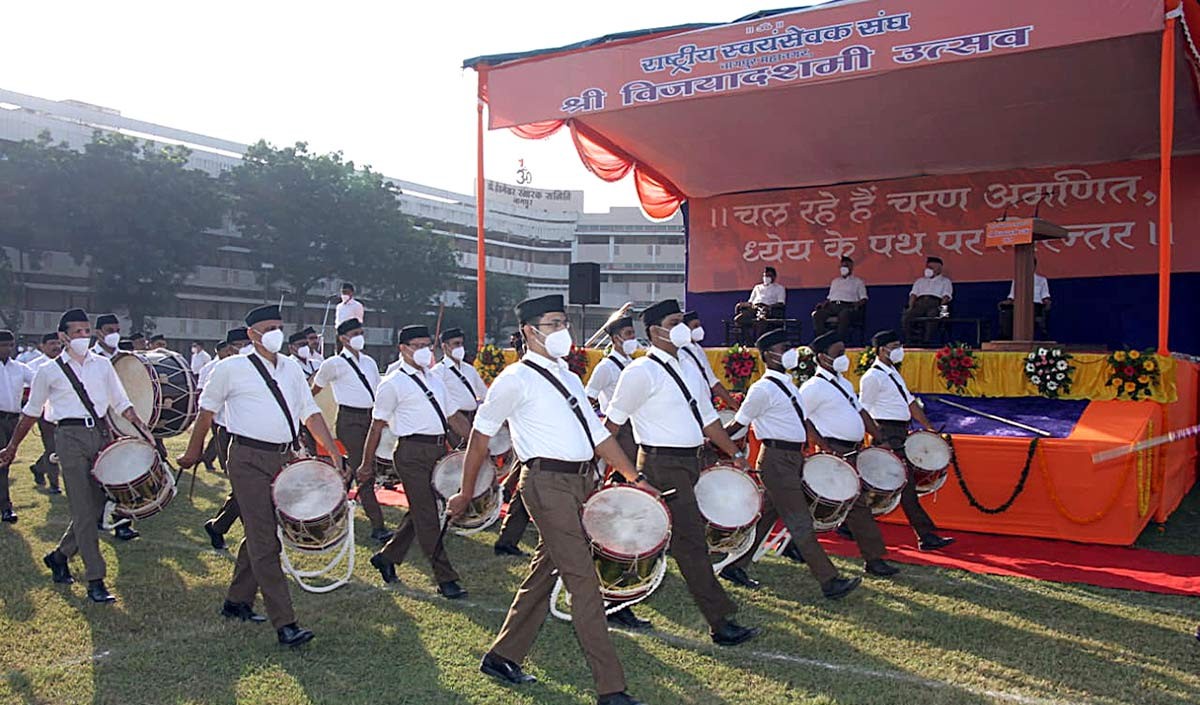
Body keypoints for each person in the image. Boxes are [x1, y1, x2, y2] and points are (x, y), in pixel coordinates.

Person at [446, 294, 650, 705]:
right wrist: (466, 491)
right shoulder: (513, 380)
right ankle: (611, 689)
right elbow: (479, 439)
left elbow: (599, 435)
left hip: (579, 484)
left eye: (563, 323)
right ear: (529, 331)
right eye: (553, 324)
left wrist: (634, 476)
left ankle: (502, 655)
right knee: (584, 582)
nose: (562, 332)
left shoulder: (569, 377)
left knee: (546, 571)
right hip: (545, 484)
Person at [177, 304, 340, 647]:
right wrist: (193, 453)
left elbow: (308, 412)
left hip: (283, 457)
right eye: (269, 327)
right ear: (252, 334)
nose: (276, 333)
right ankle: (286, 623)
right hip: (247, 459)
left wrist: (333, 452)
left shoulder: (292, 368)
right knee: (266, 539)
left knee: (261, 531)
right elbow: (206, 413)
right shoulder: (230, 369)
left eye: (279, 326)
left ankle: (237, 601)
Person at [606, 298, 760, 646]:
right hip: (661, 464)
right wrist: (616, 469)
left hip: (691, 461)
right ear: (655, 330)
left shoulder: (688, 367)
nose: (683, 328)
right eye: (675, 322)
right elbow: (611, 425)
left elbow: (708, 419)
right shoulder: (640, 372)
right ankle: (720, 622)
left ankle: (610, 599)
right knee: (690, 542)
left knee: (642, 538)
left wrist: (734, 452)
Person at [0, 308, 151, 603]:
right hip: (68, 438)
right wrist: (13, 446)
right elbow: (31, 413)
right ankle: (96, 579)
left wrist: (140, 426)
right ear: (63, 336)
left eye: (86, 331)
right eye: (77, 332)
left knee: (98, 504)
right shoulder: (49, 371)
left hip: (100, 435)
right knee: (83, 509)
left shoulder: (103, 366)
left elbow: (121, 401)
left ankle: (59, 555)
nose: (83, 336)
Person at [718, 329, 863, 598]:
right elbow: (739, 424)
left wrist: (822, 446)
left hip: (792, 458)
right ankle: (829, 580)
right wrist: (713, 442)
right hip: (776, 460)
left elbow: (803, 421)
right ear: (768, 355)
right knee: (800, 521)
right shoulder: (762, 389)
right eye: (784, 348)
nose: (790, 353)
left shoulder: (788, 384)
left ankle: (735, 565)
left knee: (767, 517)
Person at [364, 324, 472, 598]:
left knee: (421, 511)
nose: (425, 351)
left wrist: (476, 444)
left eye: (428, 345)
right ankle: (445, 577)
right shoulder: (393, 383)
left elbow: (453, 417)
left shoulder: (435, 379)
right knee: (427, 516)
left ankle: (387, 558)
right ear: (403, 348)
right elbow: (376, 427)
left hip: (437, 451)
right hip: (411, 453)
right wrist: (367, 463)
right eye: (418, 346)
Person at [799, 331, 901, 578]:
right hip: (835, 450)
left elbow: (862, 412)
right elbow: (801, 418)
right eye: (838, 354)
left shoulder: (843, 383)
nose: (844, 358)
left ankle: (796, 542)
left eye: (844, 353)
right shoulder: (813, 387)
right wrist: (824, 446)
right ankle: (874, 559)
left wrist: (879, 438)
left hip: (852, 449)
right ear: (822, 358)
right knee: (857, 504)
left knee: (829, 503)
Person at [859, 330, 956, 551]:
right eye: (894, 346)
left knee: (883, 483)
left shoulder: (893, 374)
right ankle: (926, 535)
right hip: (886, 431)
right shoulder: (872, 377)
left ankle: (849, 523)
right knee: (905, 484)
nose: (898, 350)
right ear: (881, 350)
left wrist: (929, 427)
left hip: (900, 432)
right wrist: (878, 437)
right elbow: (863, 410)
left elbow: (910, 403)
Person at [312, 318, 391, 543]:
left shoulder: (369, 362)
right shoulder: (333, 364)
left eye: (361, 331)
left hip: (371, 419)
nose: (359, 336)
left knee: (358, 466)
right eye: (355, 332)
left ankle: (329, 507)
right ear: (343, 338)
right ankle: (378, 526)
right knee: (365, 471)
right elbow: (315, 389)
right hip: (350, 420)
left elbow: (377, 391)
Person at [89, 314, 140, 542]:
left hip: (123, 422)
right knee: (100, 474)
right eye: (109, 329)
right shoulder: (89, 360)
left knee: (123, 472)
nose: (114, 334)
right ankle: (99, 516)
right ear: (98, 332)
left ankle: (122, 523)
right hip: (100, 422)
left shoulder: (126, 358)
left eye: (117, 329)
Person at [202, 328, 252, 551]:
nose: (245, 348)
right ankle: (252, 539)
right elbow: (207, 406)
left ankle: (219, 526)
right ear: (230, 348)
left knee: (245, 489)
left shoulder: (255, 368)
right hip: (228, 433)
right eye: (241, 344)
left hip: (253, 433)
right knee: (244, 488)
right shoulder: (221, 370)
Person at [584, 314, 639, 463]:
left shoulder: (633, 363)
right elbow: (588, 399)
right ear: (615, 339)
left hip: (637, 424)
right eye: (628, 334)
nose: (633, 338)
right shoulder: (606, 367)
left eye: (633, 333)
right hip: (620, 428)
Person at [0, 330, 36, 524]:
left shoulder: (20, 368)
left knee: (7, 462)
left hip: (13, 419)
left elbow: (38, 382)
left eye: (9, 345)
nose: (7, 349)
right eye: (3, 345)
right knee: (2, 464)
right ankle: (6, 507)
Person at [680, 311, 740, 411]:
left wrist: (732, 403)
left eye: (699, 325)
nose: (699, 329)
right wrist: (733, 404)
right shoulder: (681, 352)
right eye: (695, 326)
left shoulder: (697, 348)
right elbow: (713, 383)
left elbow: (711, 380)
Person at [27, 333, 63, 493]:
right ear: (42, 346)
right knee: (52, 448)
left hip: (64, 411)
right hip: (45, 413)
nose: (56, 346)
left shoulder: (67, 362)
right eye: (51, 343)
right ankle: (54, 484)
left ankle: (39, 467)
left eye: (58, 343)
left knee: (62, 447)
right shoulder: (34, 366)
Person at [197, 340, 232, 474]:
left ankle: (210, 458)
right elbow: (201, 388)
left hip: (228, 408)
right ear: (218, 351)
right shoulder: (210, 367)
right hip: (214, 407)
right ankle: (220, 463)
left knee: (223, 437)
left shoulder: (231, 365)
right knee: (221, 437)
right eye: (225, 350)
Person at [812, 256, 868, 338]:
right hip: (832, 306)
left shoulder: (858, 282)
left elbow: (864, 298)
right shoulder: (835, 281)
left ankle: (839, 340)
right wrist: (823, 304)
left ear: (851, 267)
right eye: (842, 266)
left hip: (847, 306)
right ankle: (822, 340)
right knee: (818, 315)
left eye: (846, 266)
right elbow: (830, 298)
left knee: (844, 314)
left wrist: (856, 305)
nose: (844, 268)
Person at [901, 256, 953, 345]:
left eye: (932, 268)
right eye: (928, 267)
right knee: (907, 316)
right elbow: (913, 294)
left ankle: (927, 341)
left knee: (932, 315)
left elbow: (946, 296)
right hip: (920, 303)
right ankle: (909, 341)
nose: (929, 270)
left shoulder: (945, 281)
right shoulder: (920, 281)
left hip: (935, 303)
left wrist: (942, 309)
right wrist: (910, 306)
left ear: (939, 268)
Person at [1000, 261, 1052, 339]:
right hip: (1019, 306)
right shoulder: (1017, 280)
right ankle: (1006, 337)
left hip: (1035, 306)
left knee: (1030, 310)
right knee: (1007, 311)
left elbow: (1045, 297)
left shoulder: (1041, 280)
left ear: (1034, 266)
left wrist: (1047, 303)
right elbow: (1011, 297)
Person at [734, 266, 787, 343]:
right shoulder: (757, 287)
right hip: (754, 308)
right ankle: (749, 342)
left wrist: (768, 307)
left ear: (774, 277)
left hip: (768, 310)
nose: (766, 278)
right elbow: (750, 301)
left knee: (761, 321)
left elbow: (781, 303)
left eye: (769, 276)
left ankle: (759, 343)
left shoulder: (779, 288)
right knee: (739, 319)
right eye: (765, 275)